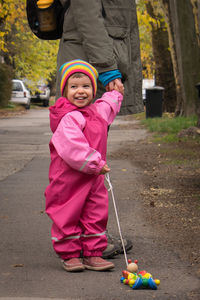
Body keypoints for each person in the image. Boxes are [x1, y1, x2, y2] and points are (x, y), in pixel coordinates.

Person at [55, 0, 143, 258]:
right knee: (81, 165)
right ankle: (83, 239)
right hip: (88, 68)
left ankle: (89, 235)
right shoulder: (94, 75)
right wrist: (107, 68)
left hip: (92, 63)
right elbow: (87, 15)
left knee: (89, 161)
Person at [45, 59, 124, 272]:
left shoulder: (96, 111)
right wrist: (96, 163)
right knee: (67, 212)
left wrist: (115, 93)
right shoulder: (69, 118)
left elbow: (109, 105)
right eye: (74, 87)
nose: (80, 92)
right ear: (64, 91)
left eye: (86, 86)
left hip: (93, 177)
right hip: (68, 179)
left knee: (95, 212)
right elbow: (73, 147)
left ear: (93, 90)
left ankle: (93, 253)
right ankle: (70, 254)